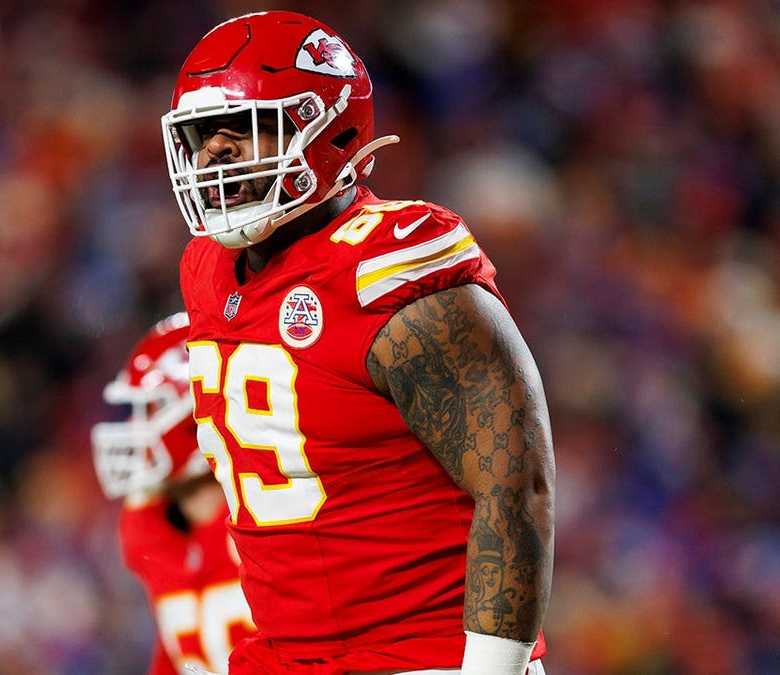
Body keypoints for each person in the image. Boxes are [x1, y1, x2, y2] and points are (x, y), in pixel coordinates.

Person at [161, 10, 555, 675]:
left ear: (327, 132)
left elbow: (516, 487)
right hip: (285, 656)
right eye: (201, 138)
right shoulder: (206, 269)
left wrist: (492, 668)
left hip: (420, 658)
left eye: (244, 133)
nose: (215, 156)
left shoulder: (390, 275)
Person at [92, 312, 256, 674]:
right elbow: (177, 652)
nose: (136, 427)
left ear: (197, 410)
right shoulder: (148, 529)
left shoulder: (261, 519)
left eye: (150, 408)